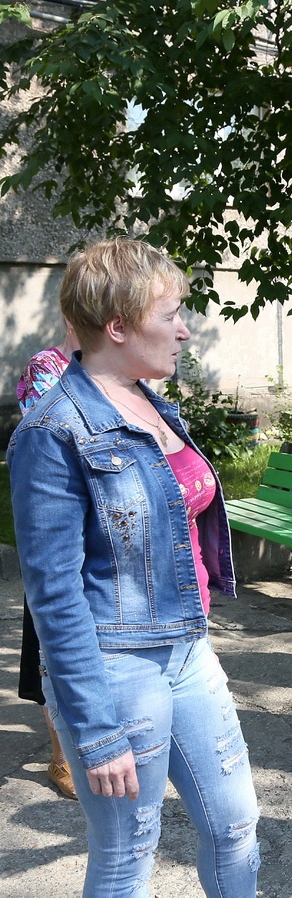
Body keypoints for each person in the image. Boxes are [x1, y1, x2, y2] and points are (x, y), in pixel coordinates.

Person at [8, 239, 260, 897]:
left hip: (187, 648)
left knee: (236, 826)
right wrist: (91, 728)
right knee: (127, 853)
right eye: (171, 315)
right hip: (116, 667)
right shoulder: (53, 429)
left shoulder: (150, 399)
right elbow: (53, 594)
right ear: (117, 327)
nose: (185, 329)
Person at [15, 323, 82, 799]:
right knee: (51, 649)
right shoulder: (47, 368)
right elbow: (60, 441)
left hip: (107, 538)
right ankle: (61, 756)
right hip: (61, 532)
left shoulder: (119, 376)